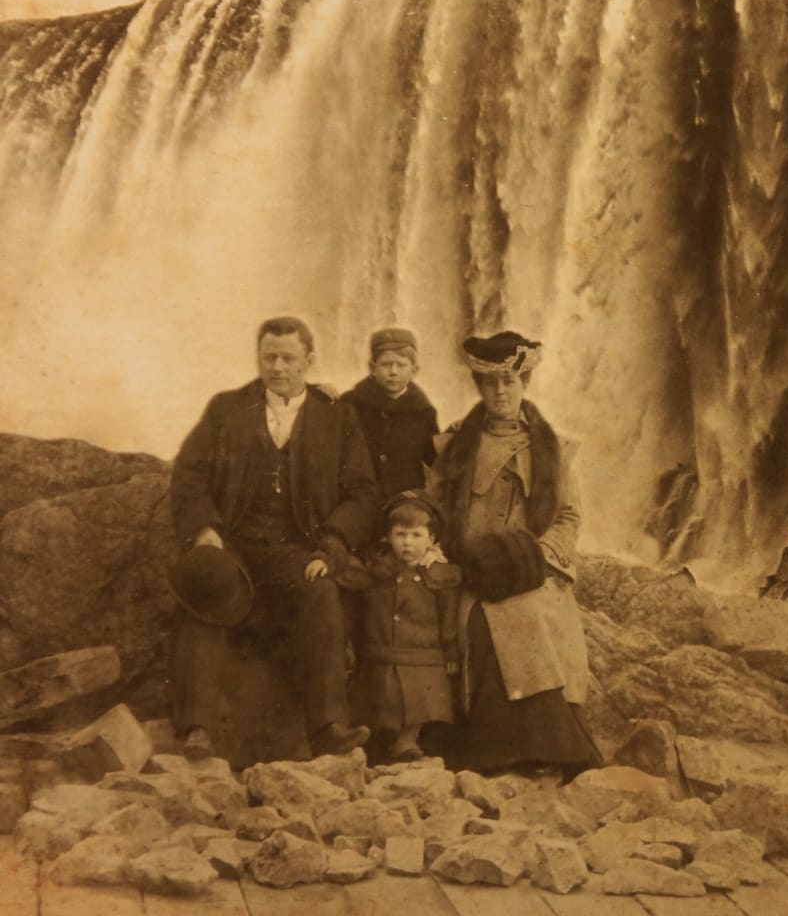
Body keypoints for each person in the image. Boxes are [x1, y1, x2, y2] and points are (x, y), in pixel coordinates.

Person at [169, 315, 381, 760]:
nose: (278, 367)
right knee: (206, 590)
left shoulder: (337, 417)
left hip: (296, 549)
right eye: (269, 357)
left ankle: (327, 728)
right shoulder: (227, 409)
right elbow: (189, 475)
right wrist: (206, 531)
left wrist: (333, 543)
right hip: (236, 545)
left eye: (288, 357)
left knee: (321, 593)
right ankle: (196, 729)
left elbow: (362, 492)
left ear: (310, 360)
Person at [427, 330, 602, 777]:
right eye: (490, 384)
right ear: (480, 388)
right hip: (474, 571)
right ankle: (498, 752)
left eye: (509, 382)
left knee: (535, 615)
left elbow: (569, 517)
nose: (500, 392)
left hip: (533, 570)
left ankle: (553, 748)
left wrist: (536, 558)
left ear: (524, 384)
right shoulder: (454, 447)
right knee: (485, 623)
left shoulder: (552, 449)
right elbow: (434, 512)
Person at [349, 490, 461, 762]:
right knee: (382, 695)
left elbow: (449, 616)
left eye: (416, 536)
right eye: (400, 535)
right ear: (388, 536)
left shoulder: (441, 575)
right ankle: (379, 741)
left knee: (418, 699)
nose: (407, 544)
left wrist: (451, 650)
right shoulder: (378, 569)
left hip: (424, 657)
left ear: (432, 539)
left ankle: (407, 740)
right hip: (383, 651)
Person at [341, 328, 439, 499]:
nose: (393, 371)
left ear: (414, 371)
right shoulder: (351, 403)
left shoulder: (423, 411)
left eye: (401, 365)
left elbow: (434, 459)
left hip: (404, 498)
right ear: (372, 368)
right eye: (385, 364)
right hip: (358, 497)